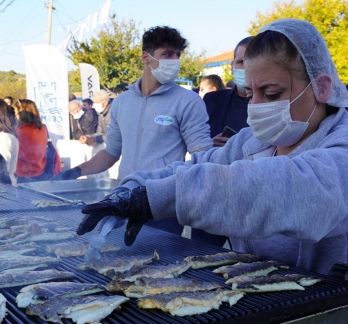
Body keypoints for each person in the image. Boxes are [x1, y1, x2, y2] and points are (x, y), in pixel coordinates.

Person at [77, 19, 348, 324]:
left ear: (322, 87)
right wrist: (134, 189)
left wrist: (163, 197)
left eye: (271, 94)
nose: (256, 106)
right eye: (250, 93)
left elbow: (293, 189)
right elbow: (194, 167)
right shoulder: (251, 143)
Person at [54, 26, 212, 236]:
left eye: (177, 55)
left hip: (162, 206)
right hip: (124, 200)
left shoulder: (188, 101)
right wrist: (76, 171)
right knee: (116, 262)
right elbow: (110, 154)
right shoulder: (121, 102)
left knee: (159, 265)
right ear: (146, 57)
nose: (174, 61)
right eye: (166, 54)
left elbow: (203, 155)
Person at [206, 37, 253, 148]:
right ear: (232, 66)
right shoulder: (212, 100)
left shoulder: (272, 105)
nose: (246, 68)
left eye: (251, 62)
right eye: (241, 62)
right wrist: (209, 144)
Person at [14, 99, 57, 182]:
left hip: (23, 174)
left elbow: (15, 153)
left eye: (16, 112)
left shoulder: (20, 131)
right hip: (41, 170)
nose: (15, 115)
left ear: (21, 113)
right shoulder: (43, 128)